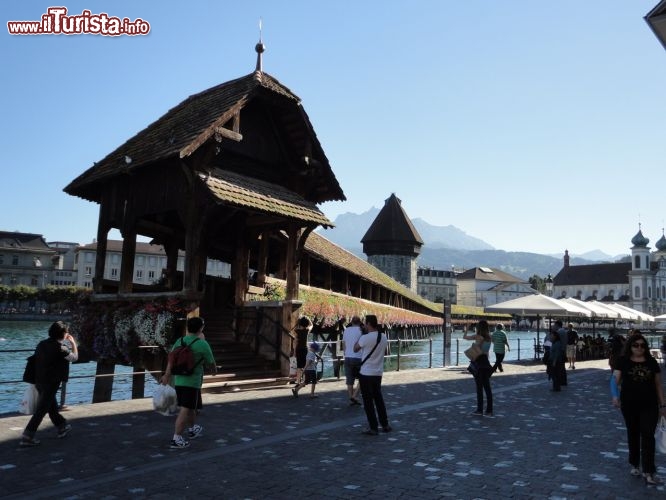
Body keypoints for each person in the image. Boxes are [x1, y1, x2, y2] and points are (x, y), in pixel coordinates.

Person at [611, 332, 666, 486]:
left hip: (649, 405)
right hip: (629, 405)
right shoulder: (623, 361)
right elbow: (614, 380)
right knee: (633, 433)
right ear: (630, 346)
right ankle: (635, 464)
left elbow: (658, 385)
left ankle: (649, 471)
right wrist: (615, 396)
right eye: (636, 345)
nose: (639, 348)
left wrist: (663, 405)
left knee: (648, 435)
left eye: (642, 345)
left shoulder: (651, 362)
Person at [20, 321, 78, 447]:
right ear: (63, 334)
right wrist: (73, 343)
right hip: (51, 382)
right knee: (41, 410)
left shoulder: (42, 344)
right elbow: (74, 358)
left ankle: (62, 426)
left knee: (51, 406)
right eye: (66, 332)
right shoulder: (61, 348)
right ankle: (28, 436)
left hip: (39, 380)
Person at [160, 316, 216, 449]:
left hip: (179, 380)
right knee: (185, 409)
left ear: (187, 328)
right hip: (192, 382)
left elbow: (171, 360)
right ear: (201, 328)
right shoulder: (202, 344)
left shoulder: (180, 341)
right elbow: (211, 363)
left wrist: (167, 375)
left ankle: (192, 429)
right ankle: (176, 438)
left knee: (191, 407)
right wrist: (214, 371)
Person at [354, 315, 391, 435]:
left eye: (365, 323)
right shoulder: (383, 336)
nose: (364, 325)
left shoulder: (365, 338)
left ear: (369, 324)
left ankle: (373, 427)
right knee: (379, 399)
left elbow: (355, 349)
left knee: (368, 401)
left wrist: (361, 334)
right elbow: (384, 352)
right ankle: (385, 424)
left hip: (365, 373)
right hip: (378, 373)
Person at [463, 320, 493, 417]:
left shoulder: (478, 337)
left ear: (479, 328)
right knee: (487, 388)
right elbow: (487, 353)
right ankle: (489, 411)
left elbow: (465, 337)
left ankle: (479, 410)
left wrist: (467, 328)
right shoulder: (489, 338)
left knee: (479, 388)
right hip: (486, 363)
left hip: (479, 363)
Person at [342, 316, 363, 405]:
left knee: (349, 379)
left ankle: (351, 397)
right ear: (359, 322)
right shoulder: (362, 330)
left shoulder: (346, 330)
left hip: (348, 357)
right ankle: (354, 395)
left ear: (351, 322)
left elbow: (343, 343)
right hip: (359, 357)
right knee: (363, 378)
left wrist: (345, 353)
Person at [293, 316, 312, 386]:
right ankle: (304, 380)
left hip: (298, 349)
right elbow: (311, 325)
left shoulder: (296, 331)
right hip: (305, 349)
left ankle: (298, 381)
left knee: (299, 366)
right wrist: (308, 318)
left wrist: (294, 351)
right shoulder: (307, 331)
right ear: (306, 323)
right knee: (305, 365)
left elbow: (295, 342)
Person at [554, 320, 568, 386]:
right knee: (562, 367)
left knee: (558, 367)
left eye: (554, 325)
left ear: (557, 325)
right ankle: (564, 381)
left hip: (559, 351)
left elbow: (555, 340)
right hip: (563, 350)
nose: (554, 326)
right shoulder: (564, 331)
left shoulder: (559, 332)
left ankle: (559, 382)